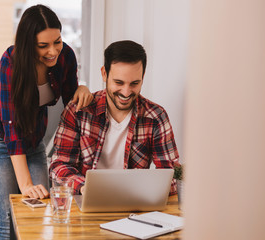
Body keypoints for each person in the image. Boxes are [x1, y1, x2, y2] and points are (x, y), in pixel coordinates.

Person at [0, 5, 93, 239]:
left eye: (57, 41)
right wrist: (26, 184)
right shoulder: (11, 61)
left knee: (40, 214)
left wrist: (82, 88)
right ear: (29, 44)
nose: (53, 51)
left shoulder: (65, 55)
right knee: (8, 221)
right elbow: (11, 127)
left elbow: (72, 105)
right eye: (43, 46)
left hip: (33, 141)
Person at [50, 40, 179, 196]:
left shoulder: (156, 117)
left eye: (134, 83)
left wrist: (146, 190)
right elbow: (59, 166)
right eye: (119, 82)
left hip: (134, 202)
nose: (126, 92)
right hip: (86, 199)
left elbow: (170, 174)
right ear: (104, 73)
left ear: (143, 76)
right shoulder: (78, 111)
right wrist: (86, 188)